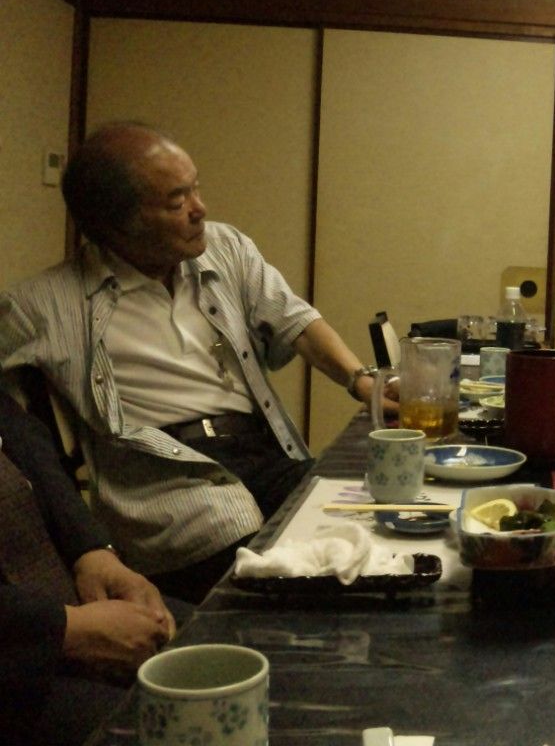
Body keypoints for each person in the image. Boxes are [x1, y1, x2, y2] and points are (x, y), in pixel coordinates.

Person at [0, 122, 379, 602]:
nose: (200, 209)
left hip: (264, 453)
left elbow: (294, 320)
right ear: (117, 224)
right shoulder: (42, 305)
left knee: (375, 518)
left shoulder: (225, 247)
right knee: (299, 578)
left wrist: (362, 381)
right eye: (177, 202)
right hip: (170, 486)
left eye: (195, 188)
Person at [0, 391, 177, 745]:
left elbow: (22, 436)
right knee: (179, 727)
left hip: (60, 604)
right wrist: (68, 629)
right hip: (18, 665)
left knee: (231, 641)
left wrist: (93, 552)